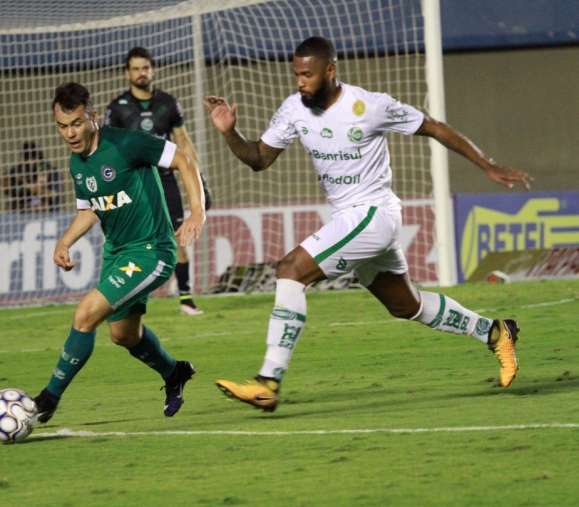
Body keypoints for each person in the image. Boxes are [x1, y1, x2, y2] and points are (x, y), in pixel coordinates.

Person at [203, 36, 534, 413]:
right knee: (405, 305)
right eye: (296, 74)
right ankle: (495, 332)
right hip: (352, 220)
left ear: (330, 70)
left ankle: (267, 381)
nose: (300, 82)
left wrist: (488, 164)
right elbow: (259, 159)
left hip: (374, 214)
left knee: (290, 269)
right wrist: (229, 131)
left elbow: (436, 127)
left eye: (308, 75)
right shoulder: (294, 108)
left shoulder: (370, 106)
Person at [32, 82, 206, 422]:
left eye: (77, 123)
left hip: (151, 250)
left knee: (85, 315)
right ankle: (175, 373)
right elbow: (91, 209)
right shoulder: (77, 163)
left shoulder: (127, 142)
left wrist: (197, 212)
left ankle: (47, 399)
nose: (70, 133)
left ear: (93, 117)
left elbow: (184, 161)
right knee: (123, 334)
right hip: (117, 253)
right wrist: (64, 242)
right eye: (63, 126)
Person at [105, 47, 212, 316]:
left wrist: (199, 179)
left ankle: (186, 298)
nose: (142, 73)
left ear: (152, 70)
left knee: (178, 236)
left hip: (164, 180)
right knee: (133, 240)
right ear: (127, 73)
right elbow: (109, 149)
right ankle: (127, 297)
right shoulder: (116, 109)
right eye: (136, 68)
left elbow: (183, 142)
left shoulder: (168, 103)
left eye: (145, 68)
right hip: (133, 184)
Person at [2, 141, 61, 212]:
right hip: (22, 212)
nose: (31, 162)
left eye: (34, 158)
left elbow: (52, 195)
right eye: (28, 159)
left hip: (46, 212)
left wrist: (29, 187)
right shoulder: (16, 172)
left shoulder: (50, 170)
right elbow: (6, 188)